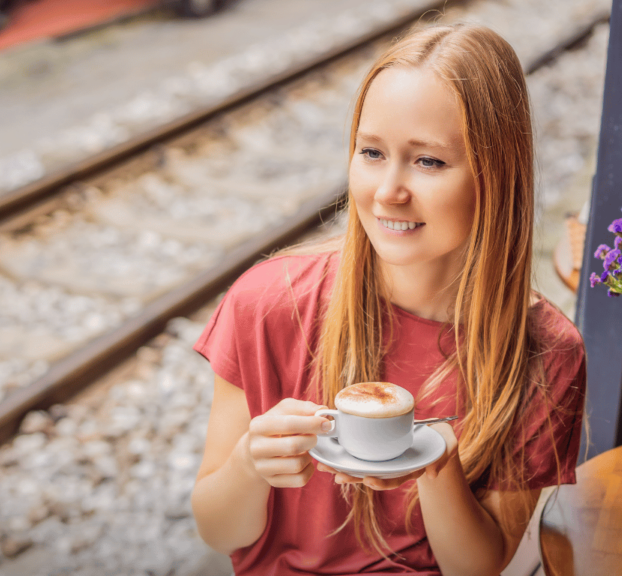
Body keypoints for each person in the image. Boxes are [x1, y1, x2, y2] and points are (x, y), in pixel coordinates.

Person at [190, 22, 586, 576]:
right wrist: (249, 464)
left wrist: (438, 467)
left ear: (496, 176)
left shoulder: (546, 352)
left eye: (428, 161)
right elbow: (218, 530)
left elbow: (477, 568)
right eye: (372, 152)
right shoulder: (267, 303)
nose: (387, 191)